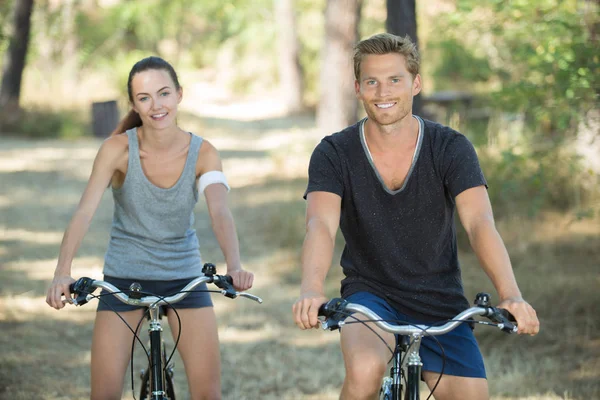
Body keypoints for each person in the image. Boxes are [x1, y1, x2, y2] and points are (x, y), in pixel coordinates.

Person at [292, 33, 540, 400]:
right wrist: (312, 290)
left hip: (441, 299)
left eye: (395, 79)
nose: (383, 91)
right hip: (369, 295)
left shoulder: (450, 147)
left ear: (416, 83)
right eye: (372, 81)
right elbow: (321, 225)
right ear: (358, 88)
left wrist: (511, 294)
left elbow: (479, 223)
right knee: (364, 373)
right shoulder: (334, 152)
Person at [46, 56, 253, 400]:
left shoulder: (204, 153)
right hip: (124, 276)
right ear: (134, 104)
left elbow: (220, 212)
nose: (156, 105)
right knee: (105, 395)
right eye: (144, 98)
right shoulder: (116, 150)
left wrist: (234, 266)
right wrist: (61, 271)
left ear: (179, 95)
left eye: (164, 94)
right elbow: (84, 211)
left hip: (185, 277)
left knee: (208, 395)